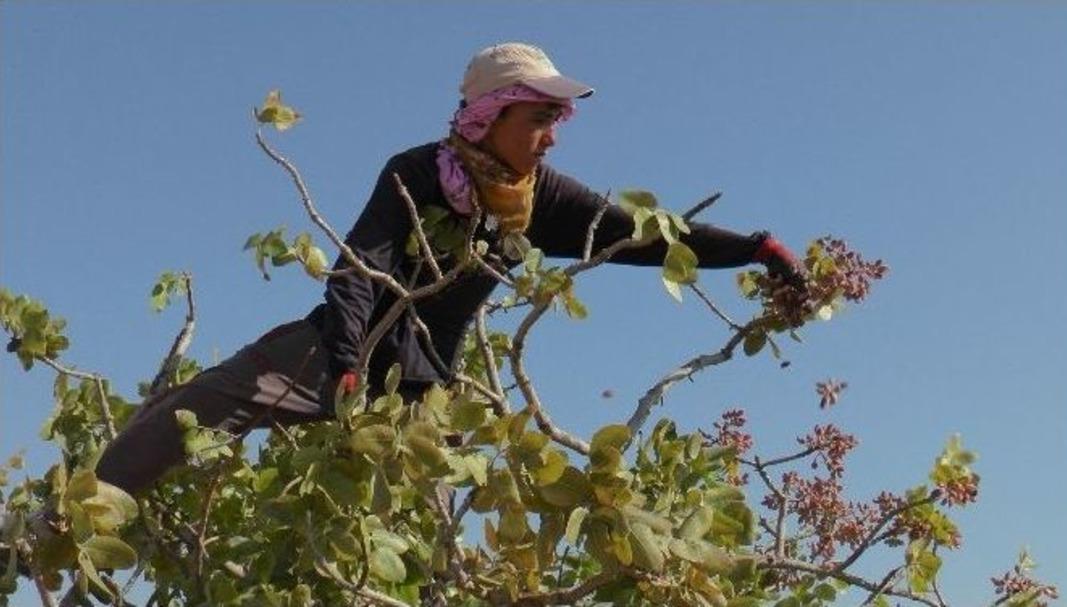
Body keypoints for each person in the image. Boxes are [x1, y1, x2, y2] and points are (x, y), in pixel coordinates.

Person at [94, 42, 806, 495]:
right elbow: (357, 268)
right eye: (537, 120)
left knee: (416, 523)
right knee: (192, 409)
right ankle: (57, 528)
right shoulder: (418, 173)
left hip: (422, 398)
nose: (551, 137)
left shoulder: (542, 198)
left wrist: (755, 248)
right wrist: (346, 360)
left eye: (557, 120)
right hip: (338, 354)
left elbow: (643, 236)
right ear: (488, 118)